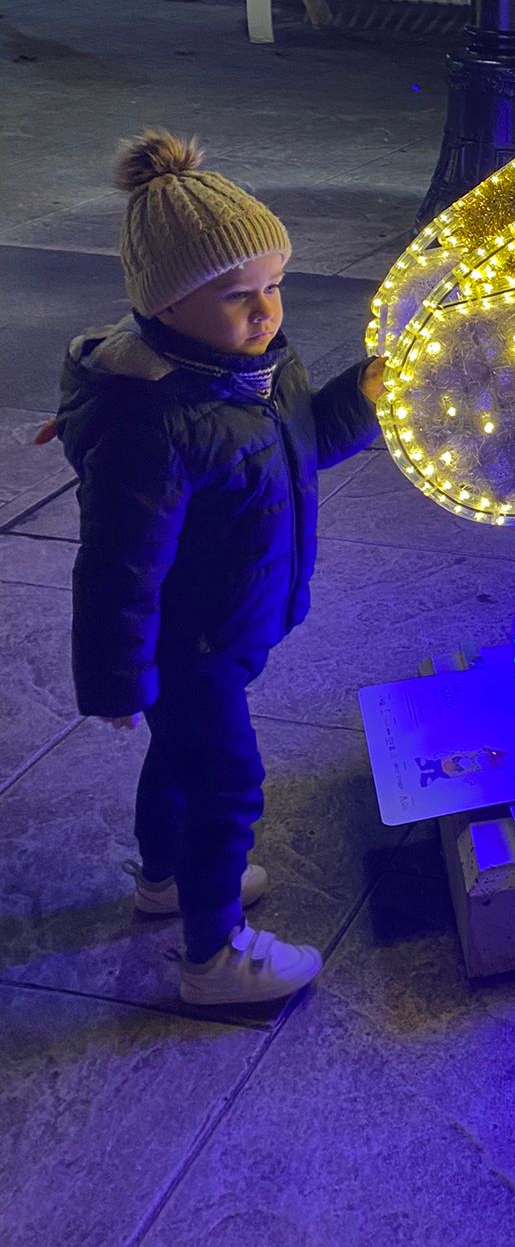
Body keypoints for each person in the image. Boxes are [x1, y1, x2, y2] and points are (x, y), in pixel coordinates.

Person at [46, 130, 383, 1006]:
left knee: (179, 763)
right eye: (238, 297)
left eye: (273, 286)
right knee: (226, 782)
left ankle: (165, 880)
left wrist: (362, 399)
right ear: (165, 309)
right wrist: (118, 682)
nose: (265, 311)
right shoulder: (154, 424)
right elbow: (116, 568)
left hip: (228, 623)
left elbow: (300, 448)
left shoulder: (253, 374)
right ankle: (212, 956)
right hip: (188, 640)